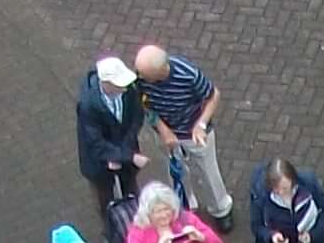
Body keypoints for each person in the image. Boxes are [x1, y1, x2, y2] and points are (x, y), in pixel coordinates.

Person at [133, 40, 233, 224]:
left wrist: (200, 124)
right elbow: (145, 104)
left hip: (195, 133)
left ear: (161, 71)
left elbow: (213, 96)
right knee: (177, 171)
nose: (139, 77)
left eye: (145, 75)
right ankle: (186, 205)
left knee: (208, 172)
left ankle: (221, 209)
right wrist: (164, 130)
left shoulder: (188, 74)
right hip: (168, 134)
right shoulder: (140, 79)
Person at [77, 50, 148, 223]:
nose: (125, 88)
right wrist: (128, 156)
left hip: (124, 150)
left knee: (131, 189)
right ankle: (111, 231)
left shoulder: (129, 90)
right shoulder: (87, 105)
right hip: (99, 163)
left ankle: (136, 225)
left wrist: (121, 154)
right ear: (106, 83)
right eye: (119, 84)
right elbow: (95, 141)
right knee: (105, 200)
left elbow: (136, 118)